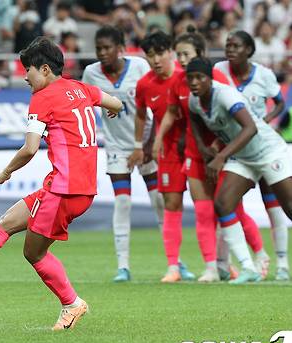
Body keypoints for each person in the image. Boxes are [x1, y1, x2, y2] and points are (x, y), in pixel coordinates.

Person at [0, 36, 123, 330]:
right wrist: (113, 108)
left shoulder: (42, 98)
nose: (24, 76)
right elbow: (114, 102)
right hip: (76, 188)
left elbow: (29, 148)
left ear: (44, 70)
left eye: (28, 69)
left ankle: (72, 304)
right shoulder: (81, 88)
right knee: (6, 223)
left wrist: (4, 173)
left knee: (33, 253)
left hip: (64, 190)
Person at [153, 27, 266, 282]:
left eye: (186, 54)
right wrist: (162, 139)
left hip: (223, 153)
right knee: (204, 212)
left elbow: (231, 120)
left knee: (231, 209)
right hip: (195, 153)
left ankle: (260, 255)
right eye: (178, 55)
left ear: (200, 54)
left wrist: (217, 148)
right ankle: (213, 267)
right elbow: (176, 114)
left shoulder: (218, 81)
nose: (181, 60)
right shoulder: (178, 82)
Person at [187, 57, 292, 283]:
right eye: (190, 78)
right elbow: (194, 120)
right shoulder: (194, 100)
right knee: (223, 204)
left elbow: (251, 128)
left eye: (199, 78)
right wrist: (204, 148)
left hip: (268, 151)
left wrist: (221, 156)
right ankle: (248, 268)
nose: (194, 82)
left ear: (210, 80)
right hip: (243, 156)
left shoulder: (225, 95)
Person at [81, 26, 164, 282]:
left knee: (158, 201)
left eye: (108, 48)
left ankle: (175, 262)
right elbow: (82, 106)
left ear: (121, 48)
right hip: (117, 146)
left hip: (146, 142)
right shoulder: (91, 73)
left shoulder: (139, 66)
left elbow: (159, 102)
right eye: (99, 49)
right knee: (123, 202)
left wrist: (149, 145)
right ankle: (123, 267)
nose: (103, 53)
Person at [214, 31, 290, 280]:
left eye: (236, 45)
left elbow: (279, 102)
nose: (230, 49)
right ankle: (229, 264)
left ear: (249, 49)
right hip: (237, 152)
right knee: (228, 204)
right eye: (228, 45)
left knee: (274, 207)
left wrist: (265, 121)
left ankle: (282, 263)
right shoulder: (218, 71)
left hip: (264, 149)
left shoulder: (264, 74)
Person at [128, 31, 194, 283]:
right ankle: (173, 266)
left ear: (171, 52)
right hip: (166, 152)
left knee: (211, 205)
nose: (155, 60)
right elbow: (142, 116)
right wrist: (140, 145)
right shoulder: (145, 84)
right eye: (150, 55)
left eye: (159, 53)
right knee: (171, 206)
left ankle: (220, 263)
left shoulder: (187, 76)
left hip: (197, 149)